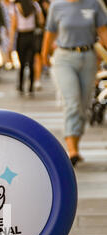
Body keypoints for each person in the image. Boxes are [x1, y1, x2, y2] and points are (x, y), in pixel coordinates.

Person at [41, 0, 107, 166]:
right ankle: (72, 150)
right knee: (73, 102)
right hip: (64, 58)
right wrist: (44, 55)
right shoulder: (57, 6)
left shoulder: (94, 4)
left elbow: (103, 31)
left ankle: (75, 144)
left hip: (89, 57)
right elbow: (50, 32)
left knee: (83, 105)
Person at [9, 0, 44, 95]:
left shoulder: (15, 6)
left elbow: (13, 25)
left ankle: (21, 86)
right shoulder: (34, 5)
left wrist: (11, 42)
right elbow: (41, 20)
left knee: (22, 63)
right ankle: (31, 86)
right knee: (31, 62)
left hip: (21, 36)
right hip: (32, 35)